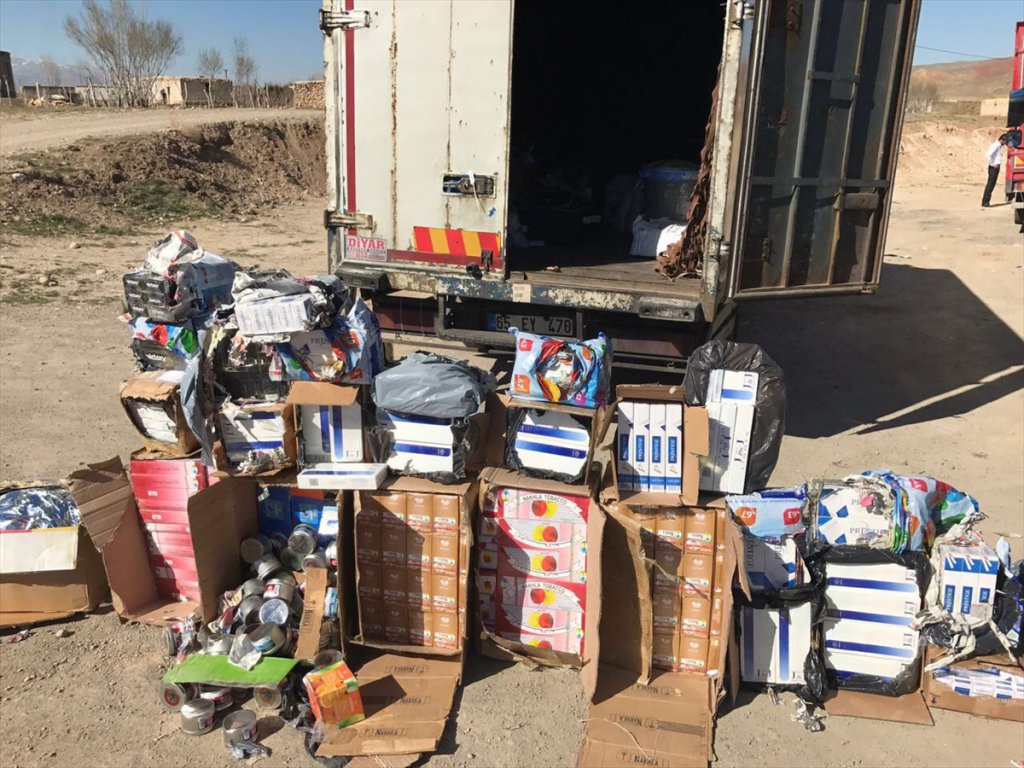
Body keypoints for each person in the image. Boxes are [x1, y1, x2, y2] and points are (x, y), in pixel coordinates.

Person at [982, 133, 1008, 208]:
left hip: (995, 167)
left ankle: (986, 201)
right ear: (1002, 140)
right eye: (1005, 142)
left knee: (992, 184)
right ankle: (985, 202)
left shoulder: (998, 146)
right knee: (990, 184)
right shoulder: (995, 146)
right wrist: (993, 164)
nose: (1004, 144)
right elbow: (988, 155)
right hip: (993, 168)